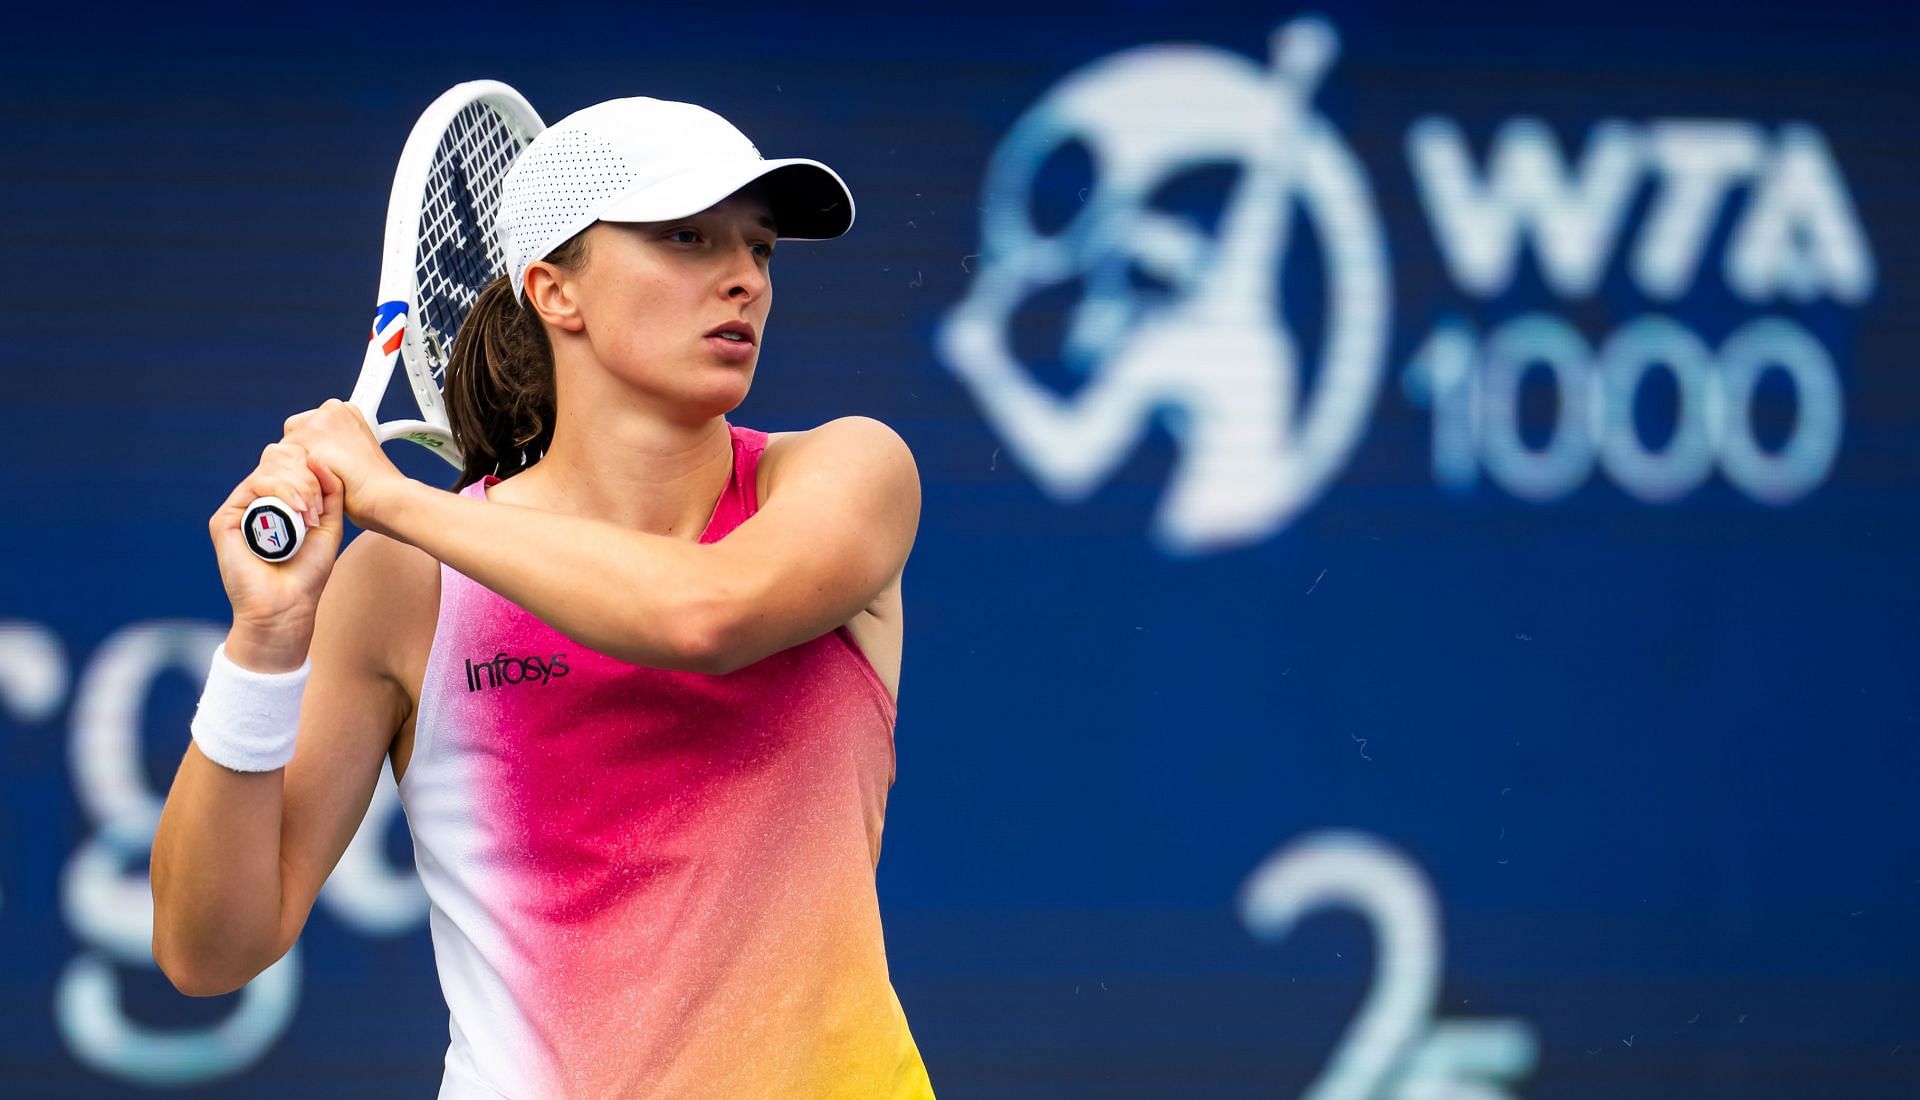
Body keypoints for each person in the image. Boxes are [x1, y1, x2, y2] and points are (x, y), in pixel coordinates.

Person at [150, 96, 935, 1099]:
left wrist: (391, 498)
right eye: (687, 237)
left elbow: (705, 615)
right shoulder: (402, 586)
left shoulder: (847, 472)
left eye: (761, 247)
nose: (743, 276)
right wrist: (264, 638)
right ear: (556, 292)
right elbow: (209, 947)